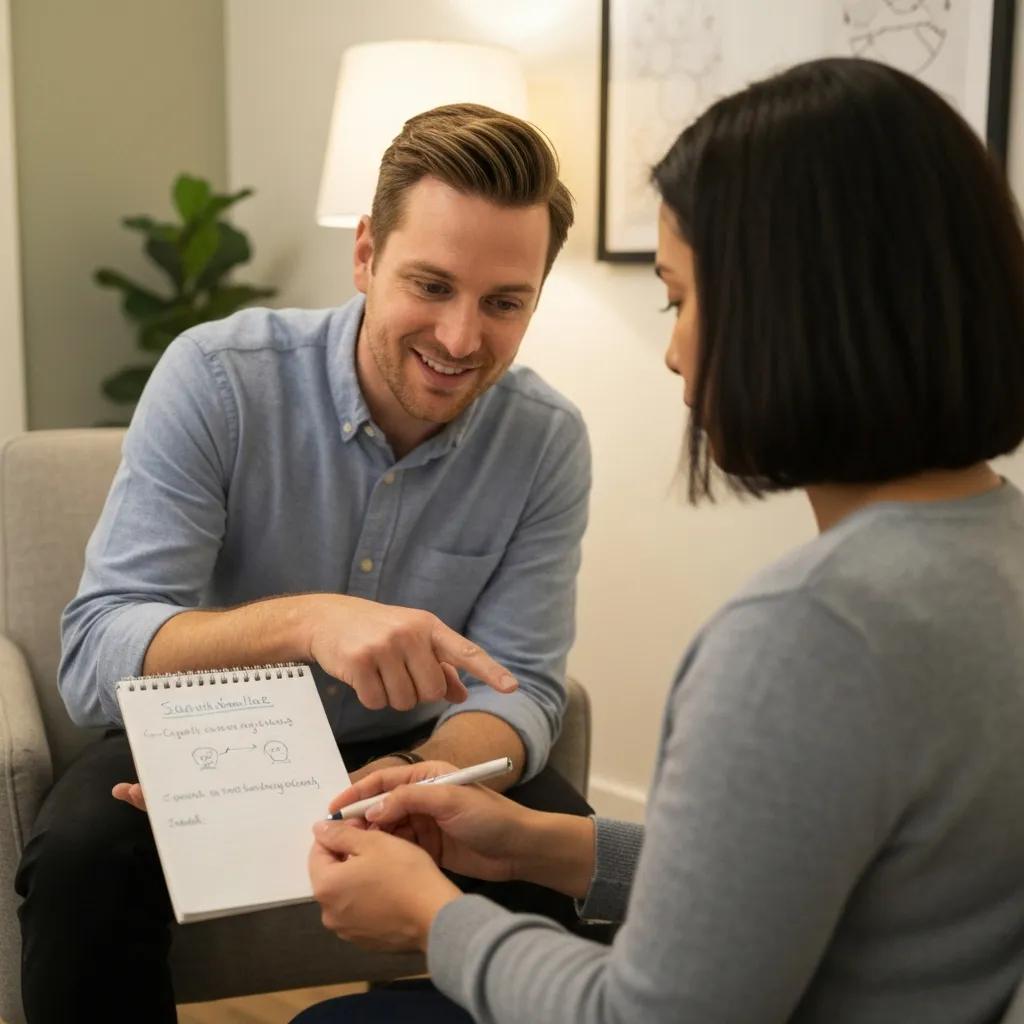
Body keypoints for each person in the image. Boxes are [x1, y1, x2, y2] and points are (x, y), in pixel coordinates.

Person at [298, 57, 1024, 1023]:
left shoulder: (810, 634)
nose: (677, 350)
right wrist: (532, 842)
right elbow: (795, 883)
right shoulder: (998, 551)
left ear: (790, 311)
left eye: (680, 300)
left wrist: (433, 918)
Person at [15, 104, 595, 1023]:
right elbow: (95, 656)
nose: (459, 339)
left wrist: (435, 772)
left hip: (419, 750)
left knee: (562, 866)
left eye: (503, 303)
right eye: (431, 285)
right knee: (84, 857)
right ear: (366, 254)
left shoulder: (547, 441)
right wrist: (307, 621)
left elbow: (520, 682)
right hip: (205, 730)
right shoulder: (216, 378)